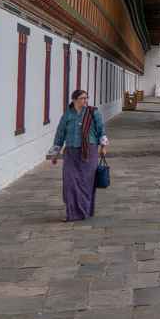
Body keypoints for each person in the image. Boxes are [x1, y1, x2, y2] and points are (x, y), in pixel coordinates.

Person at [48, 89, 107, 222]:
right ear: (74, 100)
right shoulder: (67, 115)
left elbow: (101, 130)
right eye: (82, 98)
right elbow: (60, 134)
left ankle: (84, 211)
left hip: (89, 152)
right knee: (70, 182)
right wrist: (55, 153)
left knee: (86, 183)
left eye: (86, 98)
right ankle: (73, 213)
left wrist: (103, 147)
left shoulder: (93, 113)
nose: (85, 101)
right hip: (71, 153)